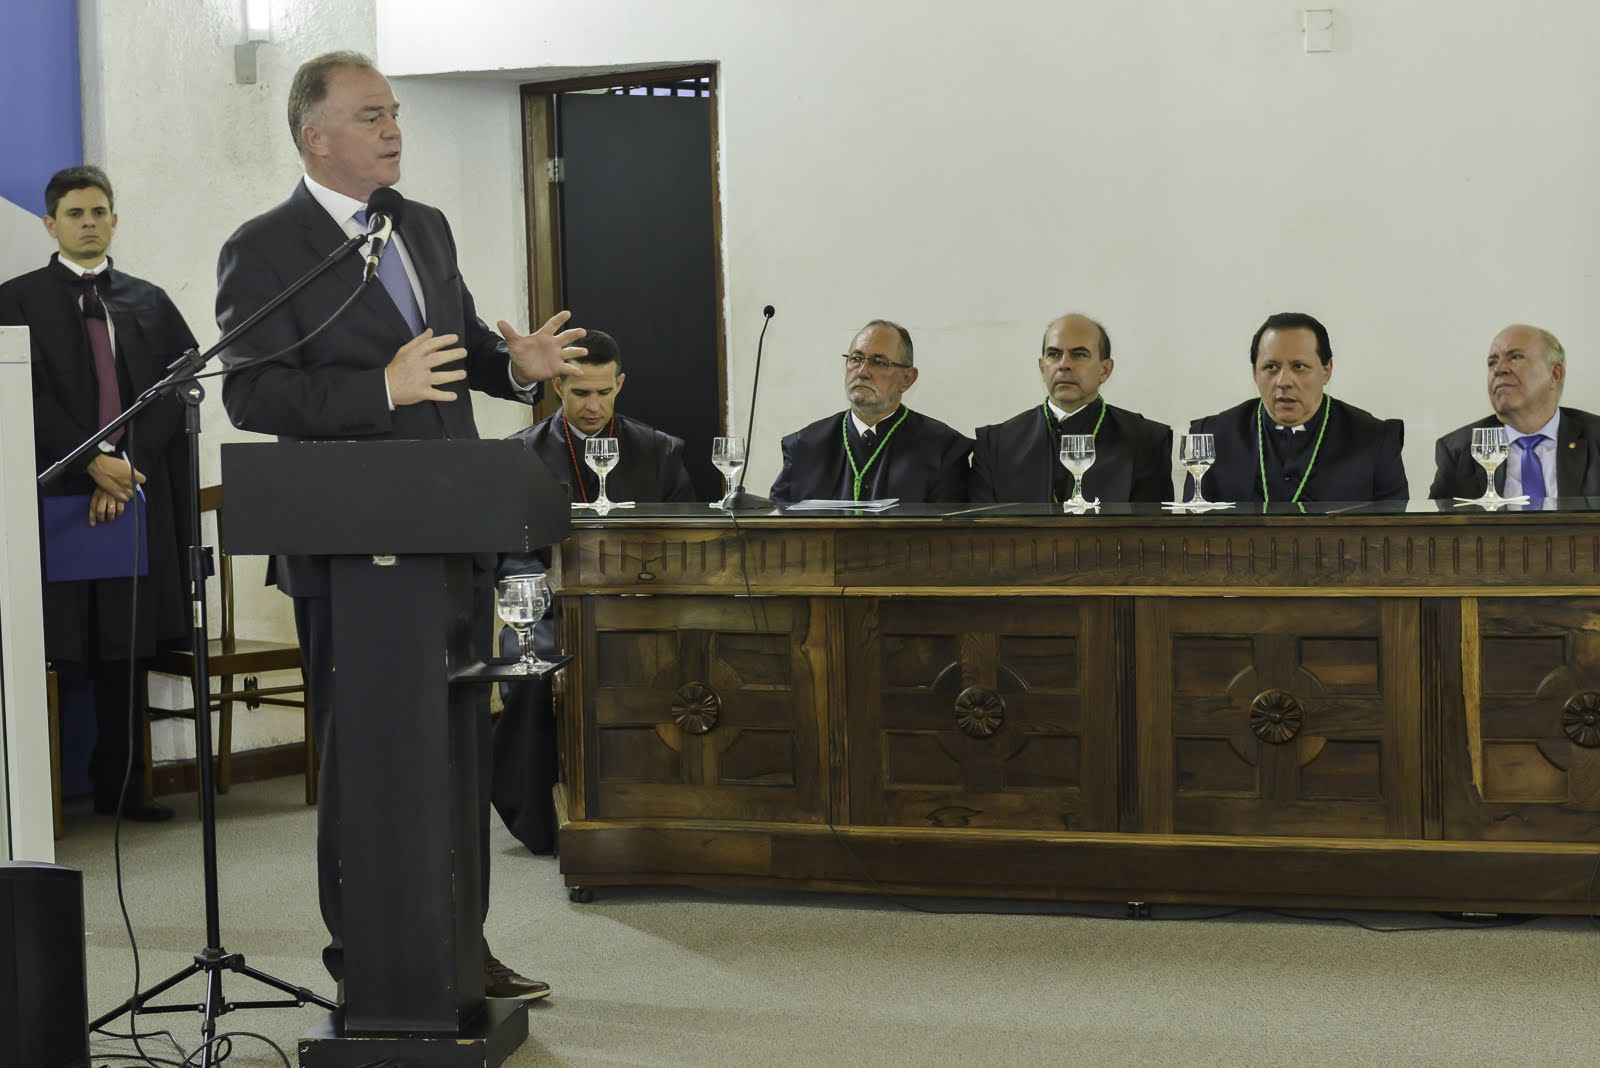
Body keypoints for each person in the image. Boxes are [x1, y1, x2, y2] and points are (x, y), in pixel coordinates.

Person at [216, 51, 583, 1001]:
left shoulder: (422, 224)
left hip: (448, 531)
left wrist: (519, 367)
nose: (392, 130)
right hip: (348, 553)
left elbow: (455, 357)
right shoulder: (265, 246)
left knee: (459, 747)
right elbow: (252, 392)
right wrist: (377, 388)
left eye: (394, 115)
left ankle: (463, 945)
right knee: (365, 758)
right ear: (315, 135)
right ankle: (368, 960)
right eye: (371, 115)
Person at [1, 165, 198, 822]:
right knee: (55, 643)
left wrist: (125, 466)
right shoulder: (15, 299)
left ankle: (125, 787)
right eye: (75, 212)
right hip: (55, 494)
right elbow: (25, 396)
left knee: (126, 642)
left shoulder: (148, 301)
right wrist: (92, 462)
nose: (88, 222)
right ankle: (39, 800)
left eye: (99, 211)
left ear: (114, 219)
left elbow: (176, 388)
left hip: (130, 493)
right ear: (49, 223)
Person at [493, 330, 695, 853]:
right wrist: (539, 589)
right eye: (581, 393)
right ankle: (539, 816)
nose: (593, 405)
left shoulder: (659, 451)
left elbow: (685, 540)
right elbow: (509, 549)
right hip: (550, 612)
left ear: (620, 384)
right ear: (558, 385)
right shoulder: (521, 455)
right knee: (531, 669)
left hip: (640, 606)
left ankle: (665, 804)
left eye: (604, 392)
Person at [1186, 312, 1408, 504]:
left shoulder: (1375, 440)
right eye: (1271, 367)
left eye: (1299, 367)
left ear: (1326, 370)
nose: (1284, 381)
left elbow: (1395, 537)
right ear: (1255, 372)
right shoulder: (1213, 437)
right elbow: (1191, 535)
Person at [971, 313, 1172, 504]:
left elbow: (1153, 533)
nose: (1064, 364)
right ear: (1042, 368)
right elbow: (982, 533)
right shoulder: (996, 445)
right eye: (1054, 354)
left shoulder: (1147, 441)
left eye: (1079, 354)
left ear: (1105, 370)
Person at [768, 319, 970, 504]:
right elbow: (776, 530)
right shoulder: (804, 447)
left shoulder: (943, 450)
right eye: (856, 359)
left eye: (879, 362)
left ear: (907, 379)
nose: (863, 372)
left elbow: (951, 536)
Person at [1429, 324, 1600, 503]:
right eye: (1492, 362)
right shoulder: (1460, 451)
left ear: (1555, 375)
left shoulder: (1595, 438)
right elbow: (1433, 528)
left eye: (1515, 357)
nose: (1499, 369)